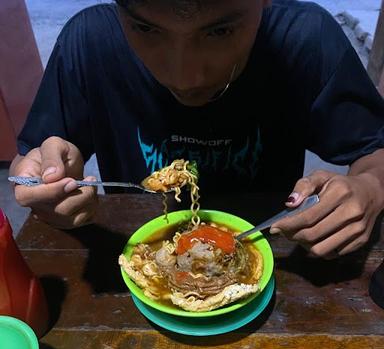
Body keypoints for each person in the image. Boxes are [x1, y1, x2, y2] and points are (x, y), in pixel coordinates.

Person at [10, 0, 384, 259]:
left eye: (220, 31)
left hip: (274, 260)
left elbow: (375, 151)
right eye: (145, 27)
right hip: (139, 263)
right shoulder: (89, 42)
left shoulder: (307, 40)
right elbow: (27, 163)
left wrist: (370, 187)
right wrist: (41, 182)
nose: (184, 77)